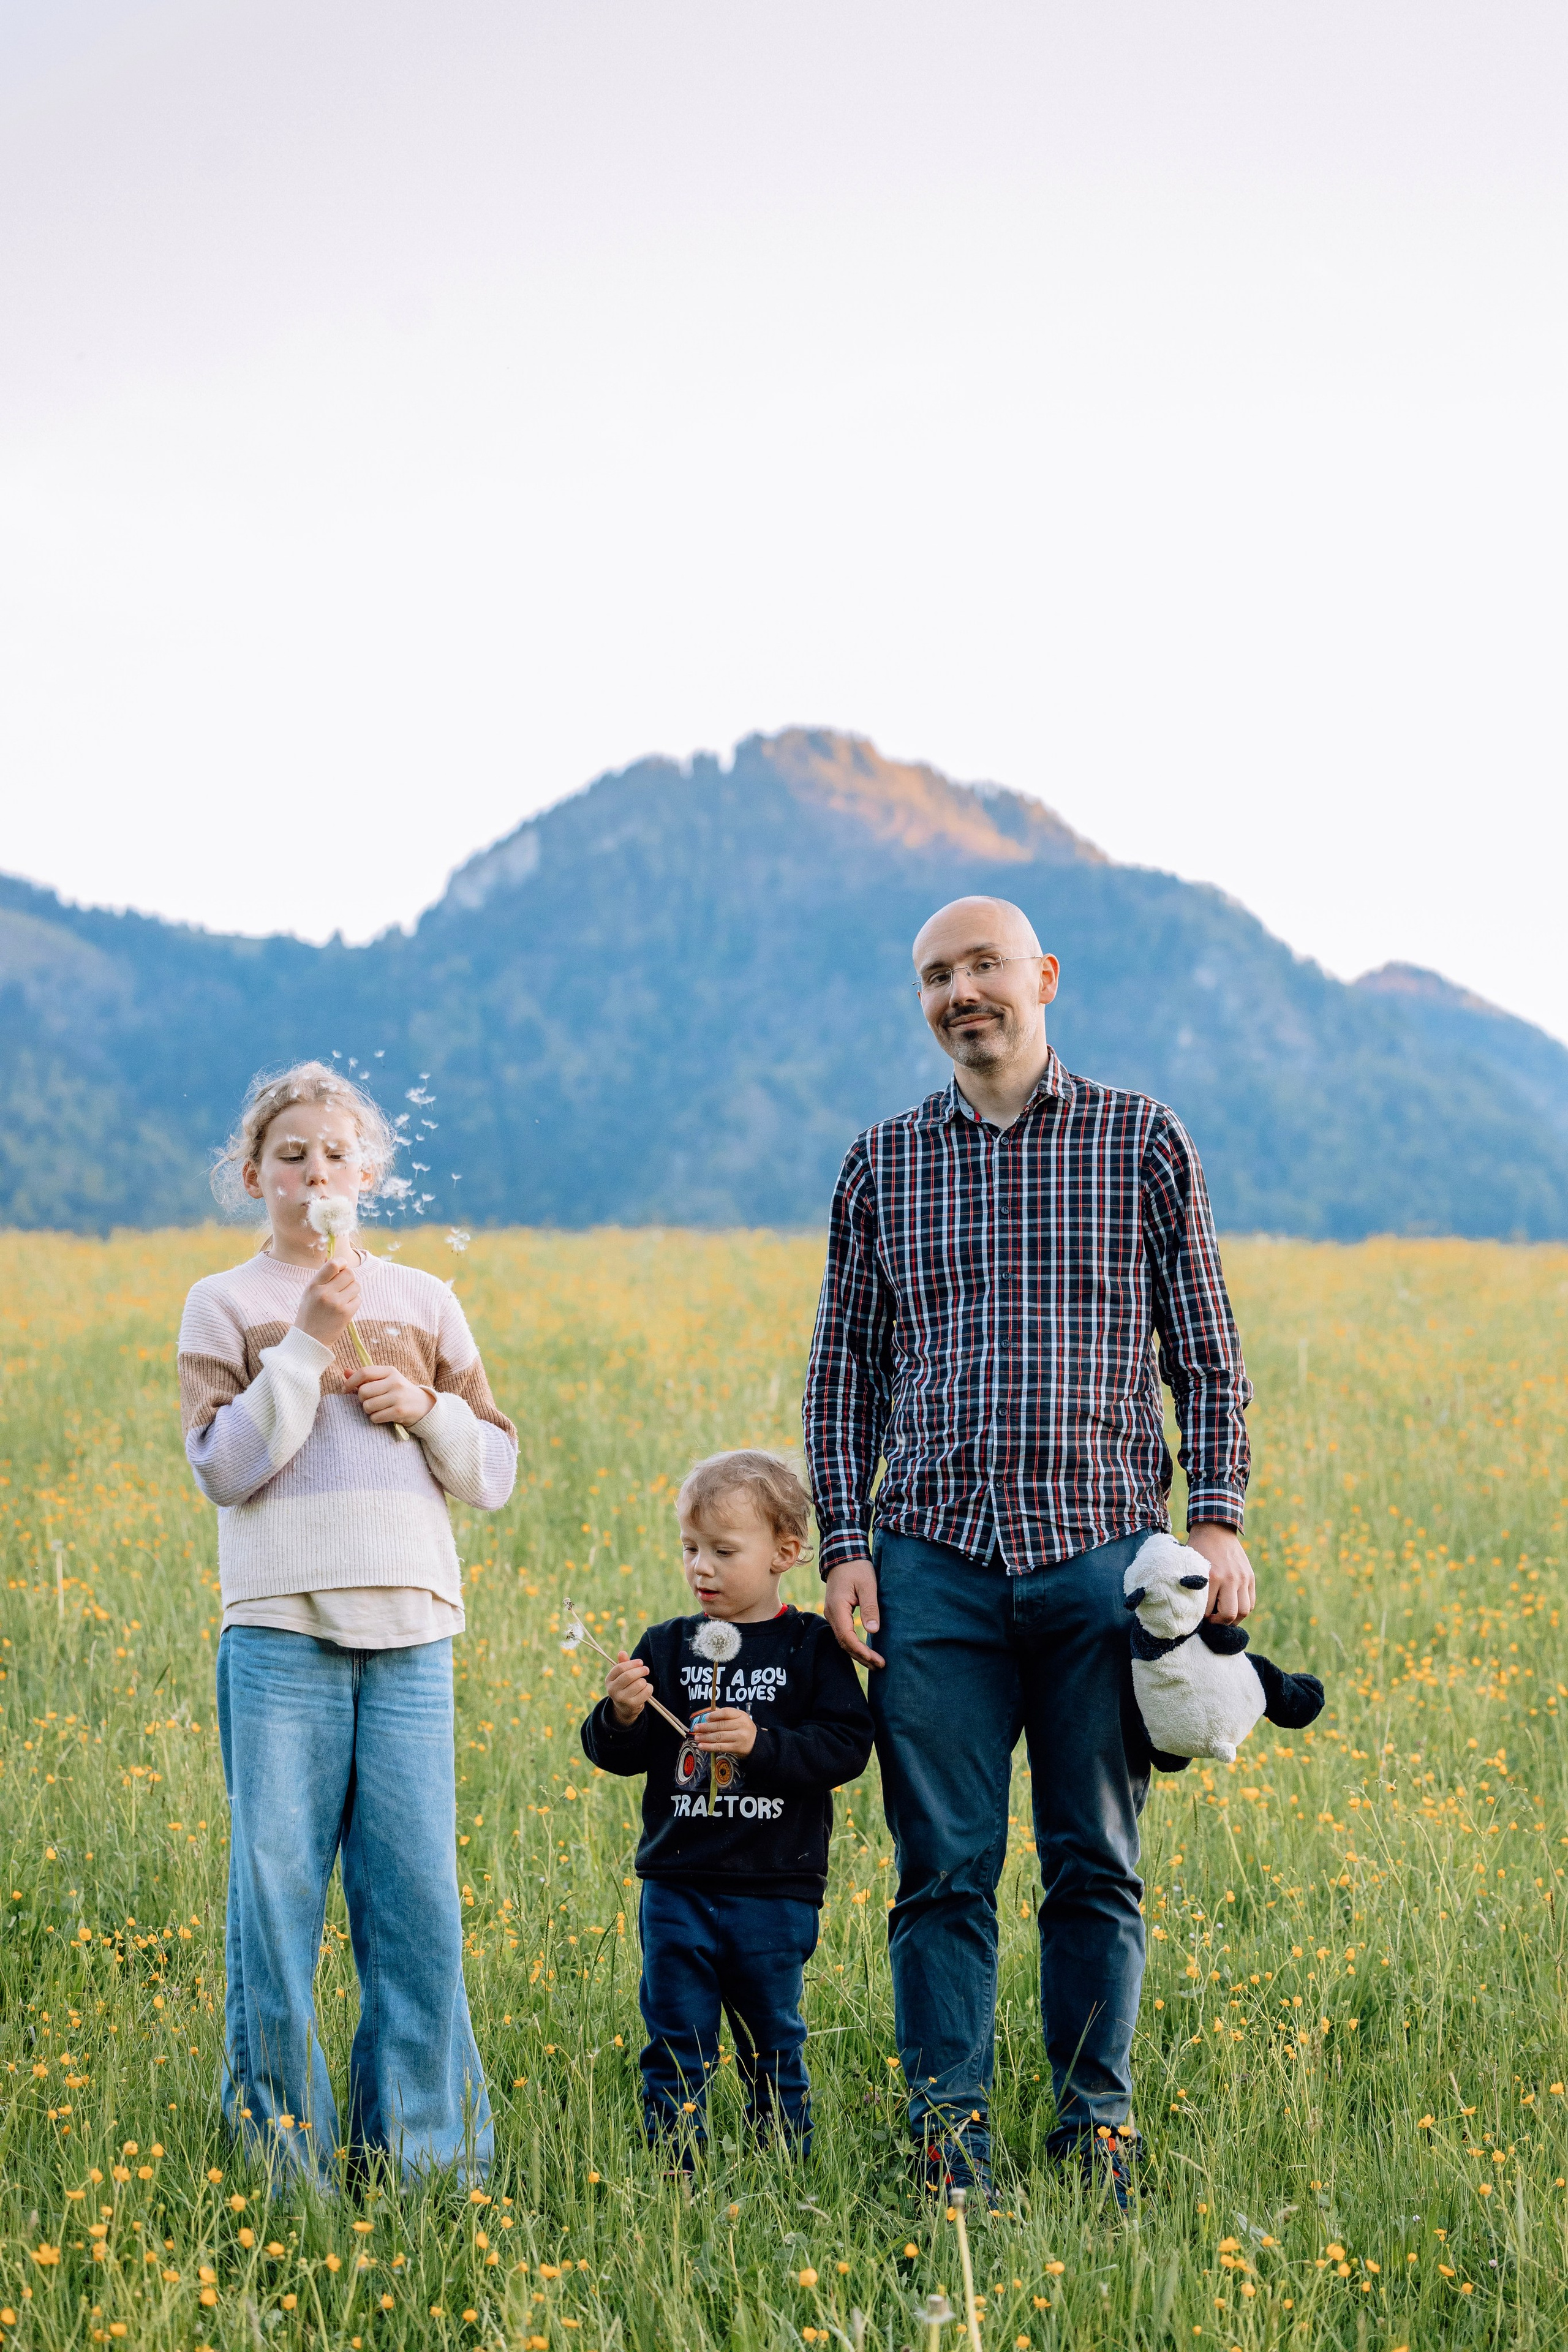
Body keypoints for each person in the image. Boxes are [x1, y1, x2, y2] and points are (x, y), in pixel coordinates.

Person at [802, 897, 1254, 2210]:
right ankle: (950, 2138)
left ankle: (1092, 2131)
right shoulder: (878, 1163)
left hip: (1098, 1558)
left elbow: (1206, 1353)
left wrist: (1215, 1518)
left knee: (1091, 1861)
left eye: (983, 966)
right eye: (935, 975)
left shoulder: (1139, 1139)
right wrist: (845, 1545)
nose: (960, 993)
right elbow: (844, 1378)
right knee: (938, 1868)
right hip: (929, 1559)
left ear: (1041, 977)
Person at [178, 1060, 518, 2187]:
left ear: (368, 1171)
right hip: (279, 1628)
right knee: (275, 1900)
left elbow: (495, 1469)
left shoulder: (424, 1300)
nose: (313, 1171)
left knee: (417, 1903)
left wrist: (426, 1411)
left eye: (334, 1154)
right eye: (290, 1156)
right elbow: (226, 1470)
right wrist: (311, 1343)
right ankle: (283, 2165)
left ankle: (430, 2163)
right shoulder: (223, 1302)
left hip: (412, 1624)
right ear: (253, 1175)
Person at [580, 1450, 873, 2166]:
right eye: (689, 1549)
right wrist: (620, 1714)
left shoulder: (810, 1646)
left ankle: (783, 2159)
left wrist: (760, 1744)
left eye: (722, 1551)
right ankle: (673, 2162)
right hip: (676, 1883)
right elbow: (615, 1755)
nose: (700, 1568)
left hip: (774, 1885)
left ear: (786, 1552)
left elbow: (845, 1747)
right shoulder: (668, 1647)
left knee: (771, 2033)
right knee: (675, 2033)